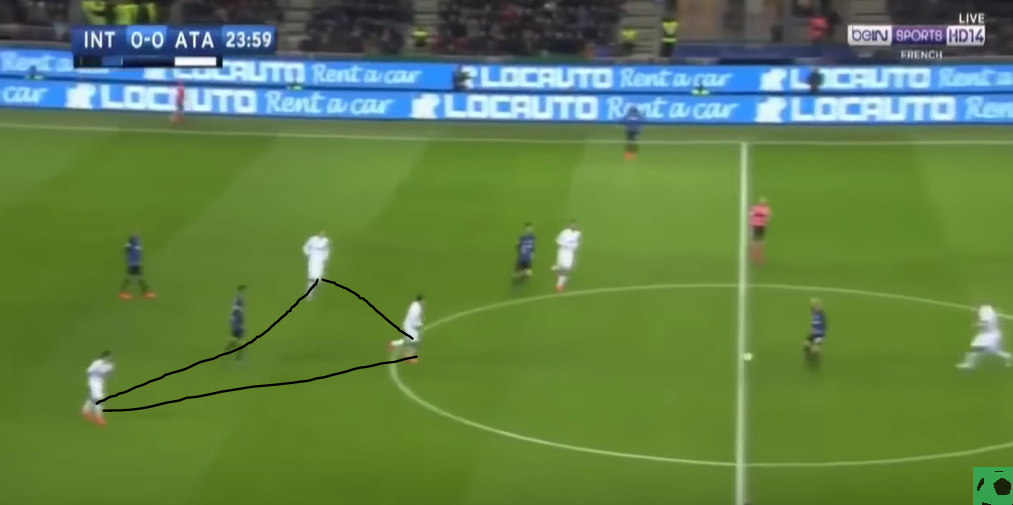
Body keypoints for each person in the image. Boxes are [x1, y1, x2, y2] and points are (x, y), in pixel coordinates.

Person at [956, 304, 1012, 369]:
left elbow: (984, 324)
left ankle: (968, 364)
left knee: (975, 348)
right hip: (994, 334)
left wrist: (976, 325)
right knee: (993, 351)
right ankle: (1008, 356)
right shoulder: (992, 313)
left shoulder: (986, 316)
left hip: (988, 336)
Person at [82, 351, 114, 426]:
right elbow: (88, 371)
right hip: (93, 382)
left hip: (100, 383)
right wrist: (91, 381)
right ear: (104, 357)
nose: (110, 358)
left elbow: (108, 375)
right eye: (109, 357)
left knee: (92, 397)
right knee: (98, 399)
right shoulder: (97, 363)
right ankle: (99, 417)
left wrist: (108, 375)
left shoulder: (109, 366)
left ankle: (85, 411)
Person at [120, 232, 155, 299]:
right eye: (136, 238)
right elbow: (127, 248)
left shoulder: (136, 244)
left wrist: (135, 237)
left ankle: (145, 292)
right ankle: (123, 292)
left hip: (136, 263)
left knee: (138, 278)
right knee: (131, 277)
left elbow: (136, 246)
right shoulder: (131, 245)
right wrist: (133, 237)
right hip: (132, 264)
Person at [391, 294, 423, 364]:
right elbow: (413, 317)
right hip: (410, 326)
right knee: (414, 341)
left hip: (409, 325)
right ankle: (409, 356)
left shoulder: (415, 306)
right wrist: (417, 324)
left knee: (409, 340)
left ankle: (393, 344)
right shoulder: (416, 308)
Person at [552, 220, 581, 292]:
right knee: (564, 268)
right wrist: (565, 245)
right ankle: (559, 286)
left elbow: (577, 244)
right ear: (569, 225)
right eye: (572, 225)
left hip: (570, 253)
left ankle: (558, 272)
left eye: (575, 225)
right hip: (563, 252)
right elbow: (557, 240)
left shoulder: (577, 233)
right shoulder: (564, 233)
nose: (574, 226)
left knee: (567, 268)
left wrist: (574, 252)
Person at [302, 231, 331, 300]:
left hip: (320, 259)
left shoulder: (326, 241)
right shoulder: (312, 239)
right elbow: (306, 247)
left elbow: (327, 250)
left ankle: (313, 289)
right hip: (313, 257)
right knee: (312, 276)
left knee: (318, 276)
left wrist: (325, 258)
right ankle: (309, 293)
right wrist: (308, 253)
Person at [224, 285, 247, 362]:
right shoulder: (239, 300)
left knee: (236, 341)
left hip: (237, 322)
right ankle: (237, 358)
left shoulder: (238, 299)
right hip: (237, 324)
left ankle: (230, 353)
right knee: (238, 342)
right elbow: (238, 312)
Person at [513, 223, 536, 290]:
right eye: (529, 228)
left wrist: (532, 253)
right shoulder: (522, 237)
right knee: (519, 273)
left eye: (531, 228)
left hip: (528, 258)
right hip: (522, 258)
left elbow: (532, 246)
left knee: (528, 274)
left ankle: (520, 281)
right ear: (525, 228)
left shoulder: (532, 237)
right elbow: (517, 246)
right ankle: (516, 283)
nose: (530, 229)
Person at [749, 198, 771, 265]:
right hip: (756, 226)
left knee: (758, 242)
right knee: (757, 242)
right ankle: (755, 256)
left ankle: (757, 256)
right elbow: (767, 218)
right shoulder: (766, 209)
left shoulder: (756, 208)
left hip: (759, 227)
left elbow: (750, 215)